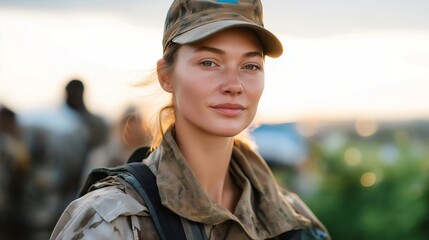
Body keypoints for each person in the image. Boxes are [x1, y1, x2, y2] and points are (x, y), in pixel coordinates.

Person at [50, 0, 330, 239]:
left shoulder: (291, 218)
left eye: (250, 65)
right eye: (209, 62)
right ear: (166, 76)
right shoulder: (114, 220)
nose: (234, 84)